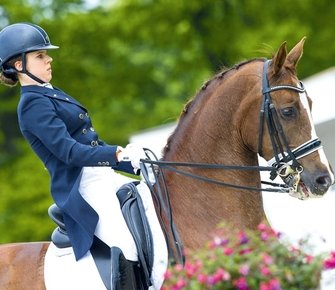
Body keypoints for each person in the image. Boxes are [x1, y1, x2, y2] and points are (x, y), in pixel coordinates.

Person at [0, 22, 153, 288]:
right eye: (40, 55)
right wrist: (114, 155)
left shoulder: (51, 93)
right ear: (20, 65)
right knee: (125, 241)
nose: (49, 59)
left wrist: (132, 162)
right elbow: (69, 152)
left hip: (101, 177)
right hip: (81, 187)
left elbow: (91, 143)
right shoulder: (32, 105)